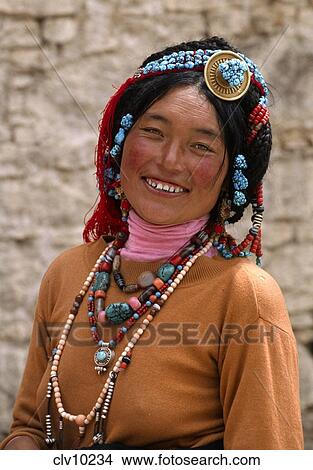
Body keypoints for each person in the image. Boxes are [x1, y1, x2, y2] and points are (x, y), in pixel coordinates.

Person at [1, 36, 304, 450]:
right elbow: (29, 429)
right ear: (120, 140)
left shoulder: (244, 294)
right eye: (153, 132)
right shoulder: (68, 272)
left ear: (233, 173)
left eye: (201, 146)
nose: (170, 161)